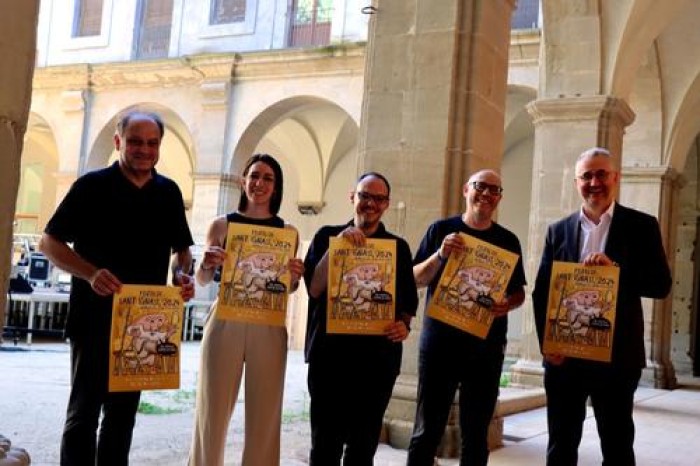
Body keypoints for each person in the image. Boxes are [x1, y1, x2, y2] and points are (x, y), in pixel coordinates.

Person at [39, 110, 195, 466]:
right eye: (135, 141)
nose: (144, 149)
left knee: (122, 419)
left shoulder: (168, 192)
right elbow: (50, 242)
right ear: (118, 142)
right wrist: (91, 273)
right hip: (93, 318)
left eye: (152, 143)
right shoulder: (91, 186)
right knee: (83, 417)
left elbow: (181, 251)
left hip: (145, 324)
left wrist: (182, 275)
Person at [532, 147, 672, 465]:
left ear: (615, 178)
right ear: (576, 182)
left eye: (601, 174)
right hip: (564, 358)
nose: (594, 182)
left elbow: (661, 285)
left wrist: (616, 271)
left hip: (618, 358)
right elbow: (542, 292)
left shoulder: (642, 226)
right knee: (561, 445)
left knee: (618, 444)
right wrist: (546, 344)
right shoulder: (559, 230)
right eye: (586, 176)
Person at [188, 154, 304, 466]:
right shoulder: (221, 224)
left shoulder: (288, 232)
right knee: (211, 410)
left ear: (276, 186)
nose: (259, 183)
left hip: (269, 323)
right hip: (225, 319)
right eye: (254, 176)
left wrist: (294, 276)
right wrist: (205, 263)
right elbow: (201, 279)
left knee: (265, 413)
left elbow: (289, 288)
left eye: (268, 178)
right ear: (243, 181)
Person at [407, 169, 526, 466]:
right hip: (440, 346)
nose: (486, 194)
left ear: (499, 198)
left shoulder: (508, 240)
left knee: (475, 434)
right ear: (465, 190)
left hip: (485, 348)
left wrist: (506, 305)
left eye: (494, 190)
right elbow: (415, 279)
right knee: (427, 429)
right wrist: (440, 255)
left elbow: (519, 293)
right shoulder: (440, 230)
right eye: (480, 187)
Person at [304, 172, 418, 466]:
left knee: (362, 448)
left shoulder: (398, 247)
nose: (371, 203)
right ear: (352, 197)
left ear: (386, 204)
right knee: (324, 446)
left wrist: (404, 325)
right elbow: (314, 288)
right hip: (329, 360)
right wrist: (337, 247)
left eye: (378, 198)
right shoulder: (326, 236)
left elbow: (407, 303)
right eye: (365, 195)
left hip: (376, 363)